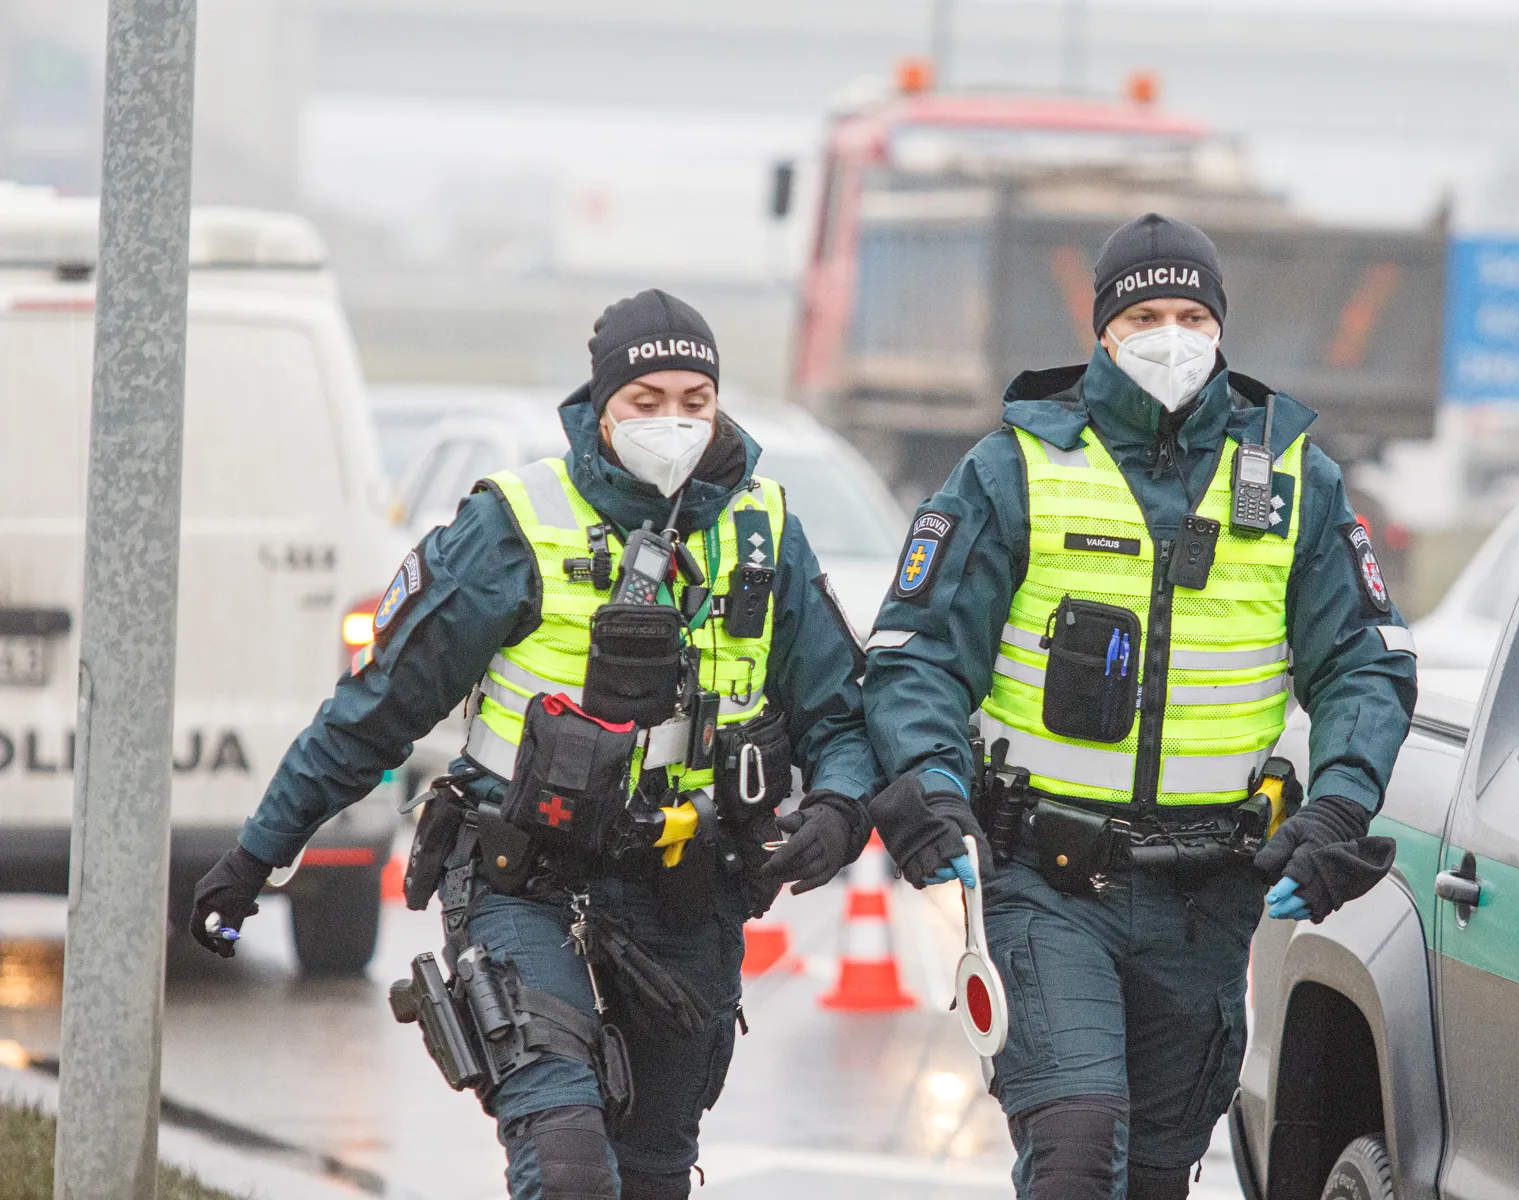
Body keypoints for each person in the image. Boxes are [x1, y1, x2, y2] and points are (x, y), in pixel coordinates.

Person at [188, 289, 878, 1200]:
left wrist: (839, 807)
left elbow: (841, 710)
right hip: (525, 879)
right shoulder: (512, 525)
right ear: (601, 407)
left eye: (694, 402)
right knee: (566, 1163)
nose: (673, 423)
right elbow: (378, 707)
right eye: (646, 402)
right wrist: (259, 853)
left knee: (653, 1172)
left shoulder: (765, 529)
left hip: (688, 892)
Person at [859, 213, 1417, 1198]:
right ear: (1104, 331)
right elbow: (917, 656)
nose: (1173, 335)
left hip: (1211, 894)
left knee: (1155, 1177)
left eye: (1194, 314)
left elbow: (1365, 667)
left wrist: (1337, 809)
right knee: (1077, 1147)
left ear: (1221, 327)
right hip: (1046, 884)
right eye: (1148, 313)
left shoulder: (1292, 481)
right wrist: (927, 782)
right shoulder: (1013, 470)